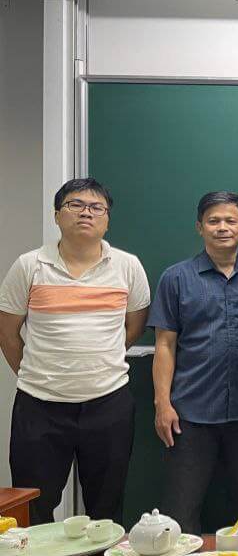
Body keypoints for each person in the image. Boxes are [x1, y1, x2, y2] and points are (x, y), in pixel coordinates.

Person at [0, 177, 150, 524]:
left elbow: (134, 327)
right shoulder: (30, 265)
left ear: (107, 219)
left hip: (108, 403)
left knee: (106, 507)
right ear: (57, 215)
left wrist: (97, 361)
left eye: (97, 207)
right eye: (75, 205)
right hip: (39, 405)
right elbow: (7, 332)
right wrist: (40, 373)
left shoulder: (127, 266)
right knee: (33, 503)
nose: (86, 213)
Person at [150, 191, 238, 535]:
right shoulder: (176, 277)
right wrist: (163, 403)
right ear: (199, 227)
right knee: (181, 509)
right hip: (190, 415)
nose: (222, 228)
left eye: (230, 220)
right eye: (213, 221)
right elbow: (164, 345)